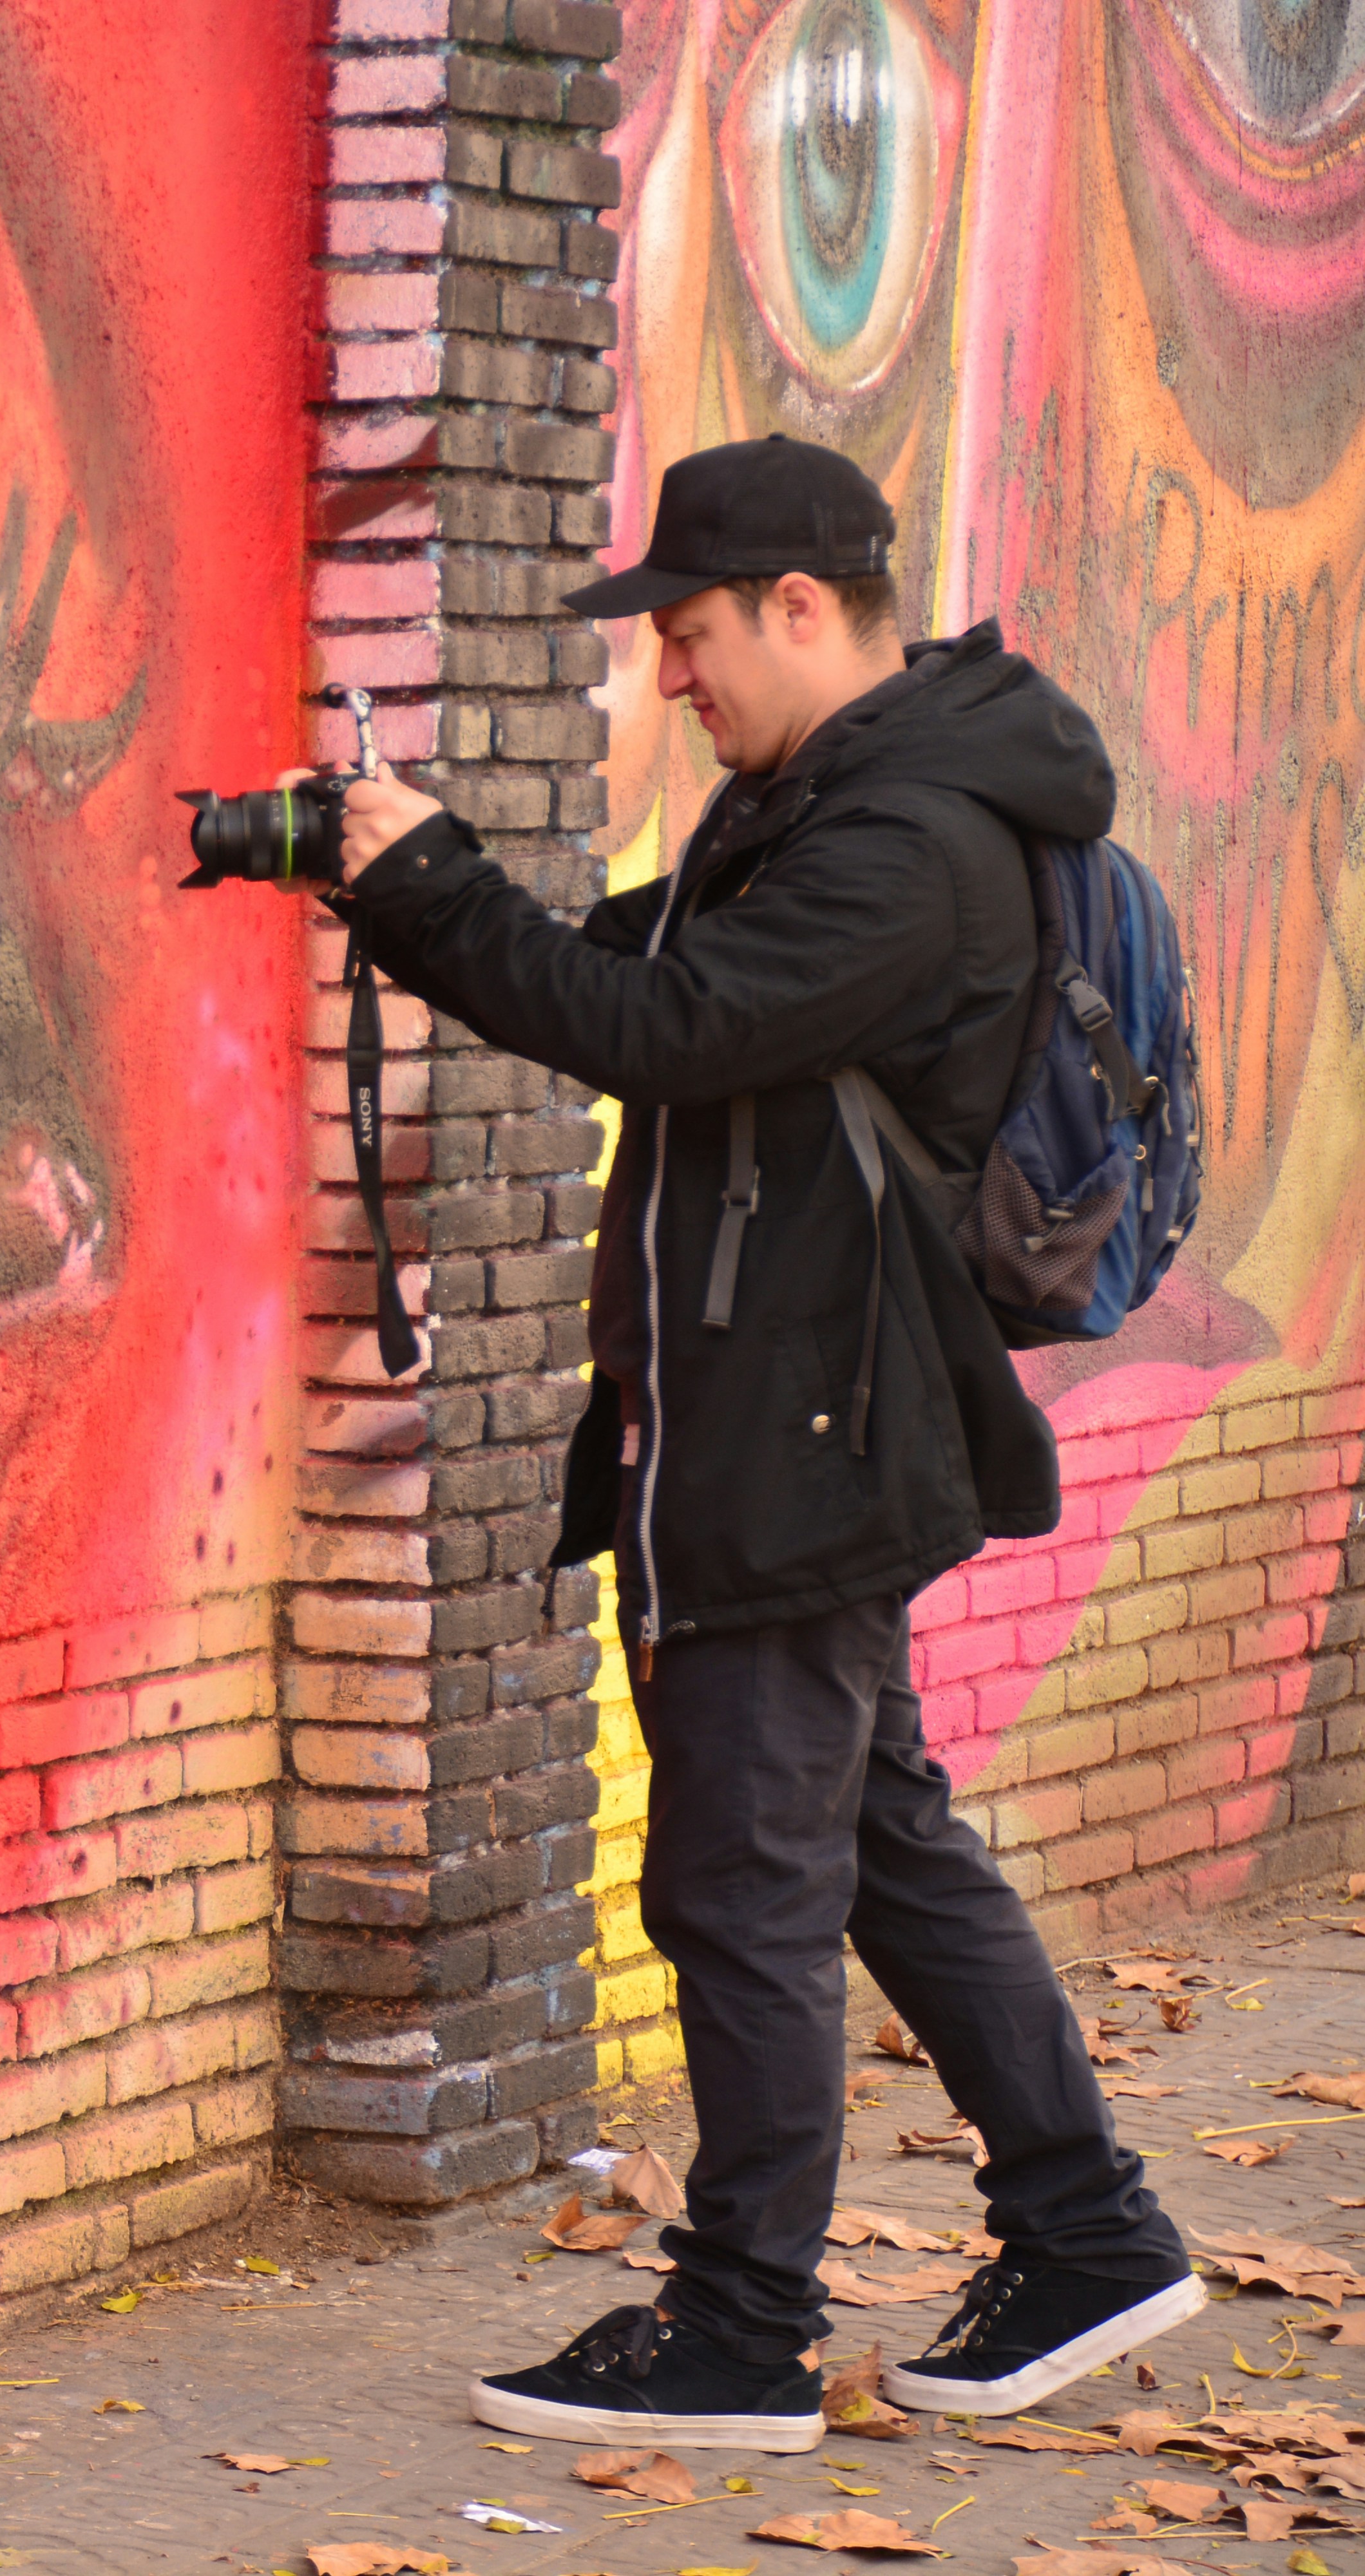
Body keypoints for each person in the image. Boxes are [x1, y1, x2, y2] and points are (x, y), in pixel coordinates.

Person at [319, 436, 1199, 2451]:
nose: (677, 677)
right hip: (785, 1409)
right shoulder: (824, 809)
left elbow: (670, 1029)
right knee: (872, 1834)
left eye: (695, 635)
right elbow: (633, 967)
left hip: (807, 1432)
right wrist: (388, 874)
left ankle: (742, 2331)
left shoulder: (906, 848)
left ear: (804, 609)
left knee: (741, 1885)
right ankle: (1090, 2233)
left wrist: (430, 885)